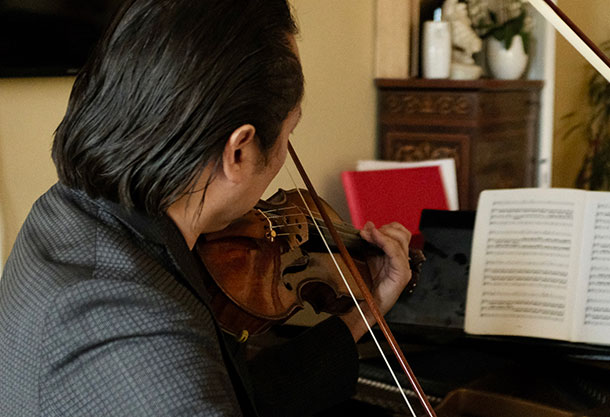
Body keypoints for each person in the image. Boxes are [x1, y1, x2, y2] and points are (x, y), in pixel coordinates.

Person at [0, 0, 413, 416]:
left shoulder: (68, 211)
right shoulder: (146, 330)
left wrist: (364, 312)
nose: (286, 152)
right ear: (238, 151)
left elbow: (237, 394)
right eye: (290, 131)